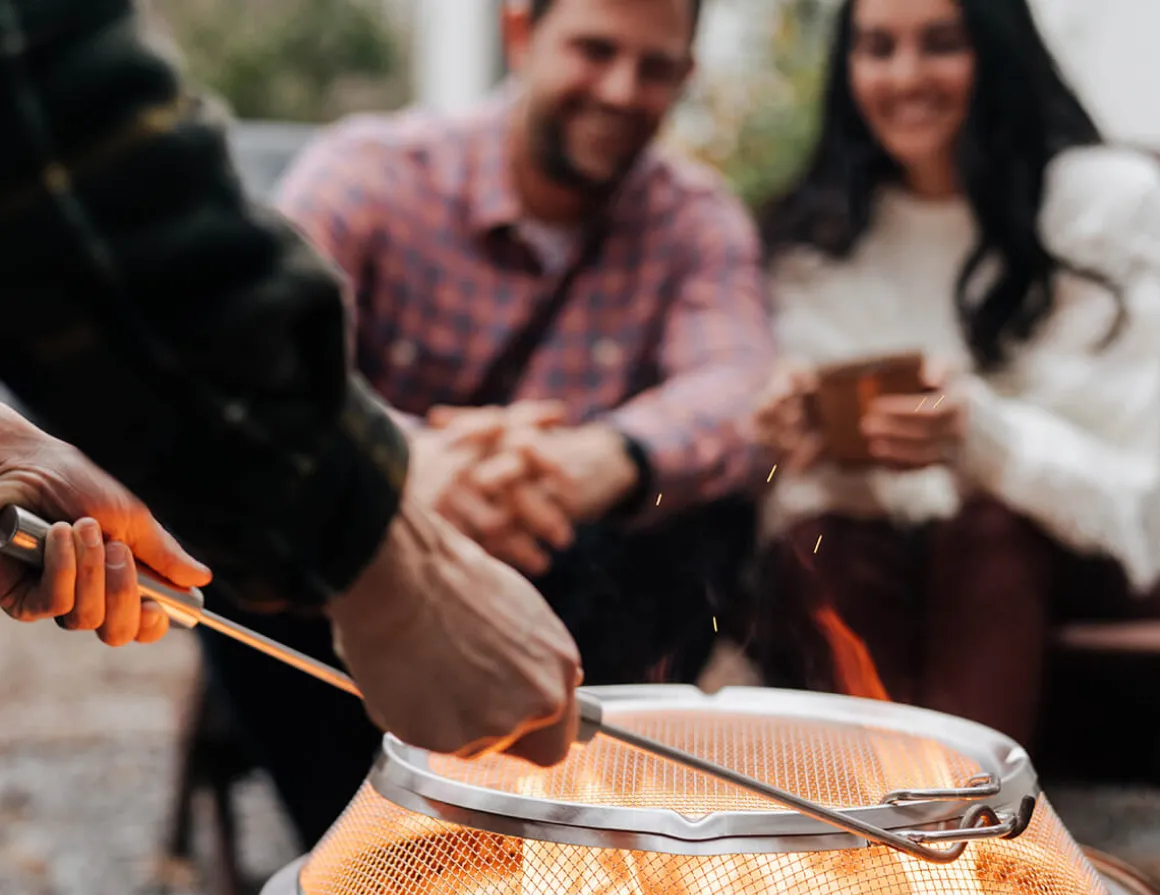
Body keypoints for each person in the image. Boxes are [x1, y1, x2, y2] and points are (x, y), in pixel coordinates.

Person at [189, 0, 779, 845]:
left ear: (685, 78)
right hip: (360, 580)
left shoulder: (694, 218)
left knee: (711, 514)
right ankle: (357, 850)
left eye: (655, 68)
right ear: (519, 33)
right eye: (594, 50)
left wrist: (607, 457)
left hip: (573, 568)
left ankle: (554, 831)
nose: (621, 89)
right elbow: (258, 363)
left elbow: (738, 385)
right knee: (255, 510)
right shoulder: (372, 172)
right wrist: (408, 468)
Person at [0, 0, 582, 765]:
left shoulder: (686, 220)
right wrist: (395, 560)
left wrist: (15, 457)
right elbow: (56, 124)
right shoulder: (380, 166)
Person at [751, 0, 1160, 746]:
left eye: (941, 44)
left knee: (988, 534)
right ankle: (874, 841)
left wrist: (977, 434)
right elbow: (792, 501)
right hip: (884, 555)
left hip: (1076, 560)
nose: (906, 76)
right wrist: (797, 440)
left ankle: (949, 837)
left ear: (998, 50)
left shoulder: (1106, 205)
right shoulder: (817, 242)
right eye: (878, 48)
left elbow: (1141, 507)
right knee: (823, 544)